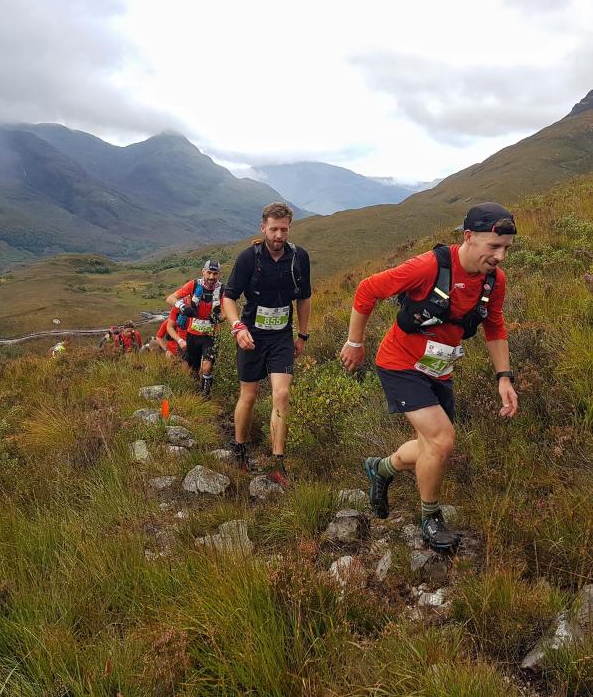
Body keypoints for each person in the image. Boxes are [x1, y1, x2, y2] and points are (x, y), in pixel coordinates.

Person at [340, 202, 519, 554]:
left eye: (507, 249)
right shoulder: (428, 267)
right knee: (441, 439)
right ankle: (430, 519)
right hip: (399, 363)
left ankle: (381, 468)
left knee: (432, 447)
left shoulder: (494, 280)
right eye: (493, 247)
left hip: (439, 368)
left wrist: (504, 377)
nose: (500, 257)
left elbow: (494, 325)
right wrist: (354, 342)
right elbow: (367, 290)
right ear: (468, 237)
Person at [222, 203, 312, 487]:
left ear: (289, 229)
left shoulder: (299, 258)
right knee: (248, 395)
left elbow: (304, 298)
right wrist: (237, 328)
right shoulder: (249, 258)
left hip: (282, 337)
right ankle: (240, 449)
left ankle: (278, 461)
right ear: (263, 228)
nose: (278, 235)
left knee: (281, 394)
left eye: (284, 229)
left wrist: (303, 335)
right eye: (273, 229)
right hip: (251, 337)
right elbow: (229, 297)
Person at [166, 260, 226, 396]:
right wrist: (182, 306)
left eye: (215, 274)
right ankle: (193, 395)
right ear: (203, 272)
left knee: (207, 366)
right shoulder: (193, 285)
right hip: (192, 334)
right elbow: (170, 298)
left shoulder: (222, 289)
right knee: (192, 369)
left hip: (211, 335)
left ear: (219, 274)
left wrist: (219, 318)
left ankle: (206, 396)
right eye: (209, 273)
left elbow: (228, 310)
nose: (211, 277)